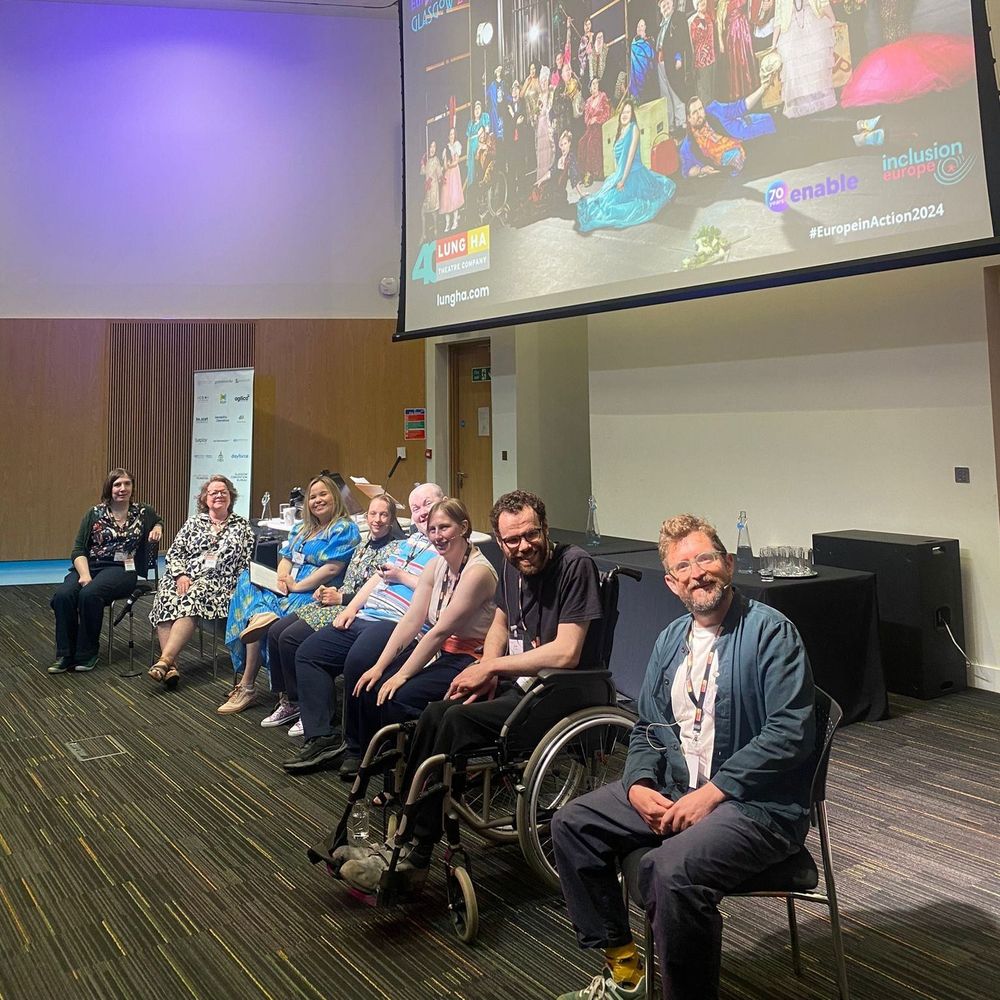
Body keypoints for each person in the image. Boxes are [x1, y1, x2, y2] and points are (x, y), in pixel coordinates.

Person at [551, 513, 816, 1000]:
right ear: (672, 583)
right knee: (572, 824)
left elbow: (790, 731)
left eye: (706, 559)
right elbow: (648, 727)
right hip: (677, 788)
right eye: (683, 567)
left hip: (756, 806)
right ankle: (626, 970)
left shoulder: (770, 632)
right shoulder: (671, 639)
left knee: (669, 873)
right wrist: (637, 784)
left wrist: (714, 793)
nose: (698, 574)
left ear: (728, 564)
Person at [337, 489, 602, 892]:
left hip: (558, 692)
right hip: (520, 683)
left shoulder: (574, 564)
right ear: (499, 540)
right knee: (435, 712)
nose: (523, 546)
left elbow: (567, 652)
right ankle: (401, 835)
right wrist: (486, 666)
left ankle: (415, 855)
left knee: (456, 722)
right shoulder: (512, 566)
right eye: (512, 540)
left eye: (531, 535)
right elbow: (500, 623)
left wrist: (492, 665)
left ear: (545, 529)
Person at [282, 482, 445, 772]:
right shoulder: (408, 543)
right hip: (367, 614)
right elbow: (376, 579)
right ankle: (322, 737)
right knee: (308, 653)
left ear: (444, 503)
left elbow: (439, 591)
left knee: (357, 660)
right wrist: (352, 608)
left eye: (427, 504)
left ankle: (358, 747)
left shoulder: (446, 547)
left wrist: (402, 577)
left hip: (397, 621)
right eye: (416, 507)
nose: (421, 512)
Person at [339, 498, 498, 779]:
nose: (437, 535)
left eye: (444, 528)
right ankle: (384, 765)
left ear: (463, 528)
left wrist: (401, 675)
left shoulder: (478, 572)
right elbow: (412, 620)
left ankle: (410, 776)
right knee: (372, 684)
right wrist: (380, 666)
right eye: (433, 529)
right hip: (443, 653)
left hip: (469, 658)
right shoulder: (436, 565)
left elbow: (439, 631)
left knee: (398, 696)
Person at [262, 493, 406, 734]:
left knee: (290, 638)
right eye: (373, 514)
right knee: (275, 631)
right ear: (366, 516)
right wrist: (329, 591)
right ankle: (290, 701)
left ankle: (307, 705)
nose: (377, 520)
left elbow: (381, 593)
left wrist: (342, 599)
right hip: (338, 601)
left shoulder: (396, 550)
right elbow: (349, 582)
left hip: (358, 609)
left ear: (392, 519)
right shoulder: (363, 545)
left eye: (384, 515)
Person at [218, 474, 360, 715]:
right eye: (312, 496)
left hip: (315, 592)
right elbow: (285, 559)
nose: (317, 500)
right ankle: (262, 616)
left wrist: (297, 586)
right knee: (247, 578)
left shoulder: (344, 528)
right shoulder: (302, 528)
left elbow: (332, 569)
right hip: (290, 585)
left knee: (260, 619)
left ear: (335, 497)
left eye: (323, 494)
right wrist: (283, 578)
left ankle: (247, 684)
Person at [48, 468, 163, 674]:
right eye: (117, 484)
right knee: (63, 596)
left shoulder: (143, 512)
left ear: (132, 487)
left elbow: (158, 520)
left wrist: (158, 528)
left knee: (90, 594)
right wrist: (85, 575)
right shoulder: (94, 513)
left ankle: (87, 653)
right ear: (109, 488)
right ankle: (65, 654)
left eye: (127, 484)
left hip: (123, 569)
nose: (122, 488)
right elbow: (78, 549)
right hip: (91, 565)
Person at [148, 475, 254, 690]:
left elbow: (246, 563)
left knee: (193, 596)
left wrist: (237, 587)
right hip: (185, 577)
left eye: (223, 492)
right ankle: (171, 666)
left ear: (231, 497)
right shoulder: (193, 523)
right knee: (165, 593)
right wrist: (180, 575)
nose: (219, 495)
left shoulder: (242, 526)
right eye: (213, 492)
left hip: (220, 584)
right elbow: (175, 552)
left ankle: (165, 660)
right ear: (205, 498)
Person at [576, 100, 677, 233]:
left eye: (628, 112)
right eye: (623, 112)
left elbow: (630, 157)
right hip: (622, 173)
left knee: (615, 205)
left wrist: (623, 180)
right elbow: (618, 158)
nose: (625, 115)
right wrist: (617, 177)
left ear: (632, 114)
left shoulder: (633, 128)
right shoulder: (621, 130)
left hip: (634, 174)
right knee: (604, 199)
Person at [678, 80, 776, 178]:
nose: (699, 114)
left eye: (700, 109)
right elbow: (687, 171)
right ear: (689, 118)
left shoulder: (715, 110)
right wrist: (701, 170)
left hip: (756, 136)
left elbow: (740, 106)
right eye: (694, 112)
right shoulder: (687, 146)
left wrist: (762, 88)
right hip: (730, 174)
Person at [772, 0, 837, 119]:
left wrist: (832, 18)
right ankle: (802, 105)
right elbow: (778, 18)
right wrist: (774, 42)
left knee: (818, 51)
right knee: (791, 58)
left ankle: (820, 100)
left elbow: (823, 3)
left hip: (813, 22)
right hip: (790, 28)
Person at [655, 0, 694, 131]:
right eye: (663, 6)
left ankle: (681, 122)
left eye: (667, 3)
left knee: (676, 90)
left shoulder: (678, 17)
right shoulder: (661, 25)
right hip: (661, 62)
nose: (665, 7)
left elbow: (681, 40)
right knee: (665, 94)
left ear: (672, 4)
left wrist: (678, 58)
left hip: (672, 61)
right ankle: (671, 124)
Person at [717, 0, 757, 99]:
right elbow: (719, 24)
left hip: (745, 33)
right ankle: (738, 92)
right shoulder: (722, 3)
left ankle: (750, 88)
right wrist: (720, 42)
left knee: (746, 60)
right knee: (736, 62)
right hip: (733, 36)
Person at [578, 76, 612, 184]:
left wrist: (596, 119)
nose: (595, 86)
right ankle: (584, 172)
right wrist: (590, 121)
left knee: (591, 143)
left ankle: (592, 173)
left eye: (597, 83)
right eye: (593, 84)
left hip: (600, 127)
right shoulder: (588, 101)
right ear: (590, 87)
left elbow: (607, 113)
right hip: (590, 128)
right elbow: (586, 118)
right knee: (582, 142)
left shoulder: (603, 96)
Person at [689, 0, 719, 104]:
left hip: (712, 58)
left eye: (704, 1)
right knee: (704, 91)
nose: (703, 2)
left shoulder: (709, 17)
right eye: (700, 1)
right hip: (701, 62)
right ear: (696, 5)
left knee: (713, 89)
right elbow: (692, 41)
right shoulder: (693, 21)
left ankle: (713, 110)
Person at [439, 127, 464, 233]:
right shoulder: (446, 148)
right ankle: (447, 223)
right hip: (448, 174)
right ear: (448, 136)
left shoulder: (457, 145)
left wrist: (450, 164)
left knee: (454, 195)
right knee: (446, 197)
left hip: (454, 172)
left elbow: (456, 161)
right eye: (450, 134)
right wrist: (446, 165)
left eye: (453, 134)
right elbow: (445, 165)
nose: (452, 136)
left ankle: (455, 221)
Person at [535, 70, 556, 186]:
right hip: (540, 124)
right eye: (541, 81)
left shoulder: (551, 93)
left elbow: (550, 108)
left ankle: (549, 176)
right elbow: (537, 110)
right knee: (541, 150)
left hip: (548, 123)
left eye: (545, 81)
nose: (543, 83)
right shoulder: (539, 96)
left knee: (548, 149)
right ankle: (541, 177)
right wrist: (536, 114)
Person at [420, 141, 443, 241]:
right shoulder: (428, 160)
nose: (432, 149)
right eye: (431, 146)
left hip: (433, 188)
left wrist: (441, 178)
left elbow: (439, 174)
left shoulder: (436, 160)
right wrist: (423, 163)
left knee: (433, 212)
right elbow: (423, 172)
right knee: (423, 211)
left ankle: (436, 231)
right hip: (427, 190)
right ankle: (424, 234)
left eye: (434, 146)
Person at [465, 100, 490, 188]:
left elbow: (487, 132)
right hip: (471, 149)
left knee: (479, 169)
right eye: (475, 109)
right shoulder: (470, 123)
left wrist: (484, 144)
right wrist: (468, 154)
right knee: (471, 170)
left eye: (479, 108)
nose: (477, 110)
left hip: (480, 146)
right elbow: (468, 140)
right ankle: (472, 188)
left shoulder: (484, 117)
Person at [629, 19, 656, 101]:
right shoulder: (633, 43)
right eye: (638, 26)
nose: (639, 28)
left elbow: (653, 58)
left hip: (647, 77)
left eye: (642, 26)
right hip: (635, 78)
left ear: (645, 27)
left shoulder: (650, 42)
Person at [486, 66, 506, 143]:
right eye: (497, 70)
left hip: (502, 108)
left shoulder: (503, 83)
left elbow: (507, 95)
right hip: (495, 108)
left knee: (502, 126)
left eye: (500, 71)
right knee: (495, 128)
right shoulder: (492, 84)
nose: (498, 72)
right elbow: (487, 94)